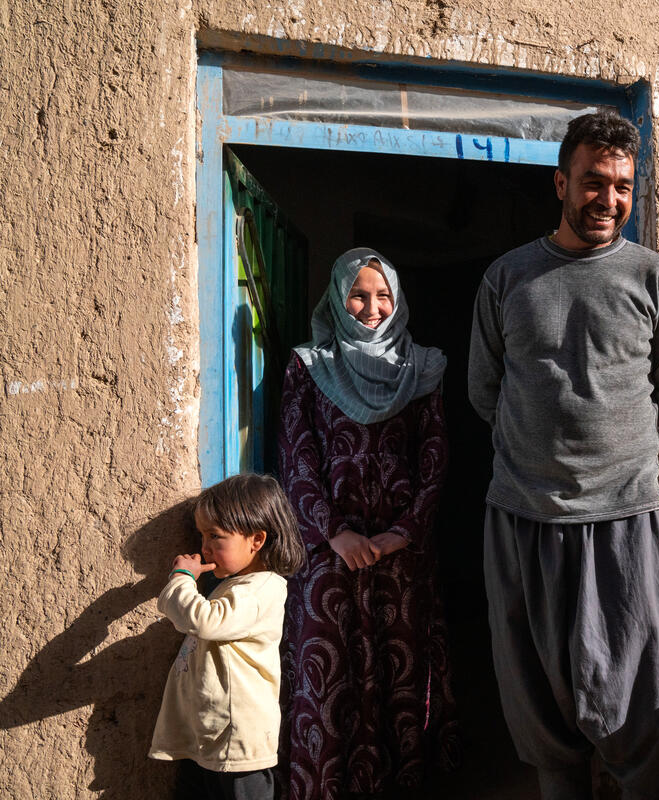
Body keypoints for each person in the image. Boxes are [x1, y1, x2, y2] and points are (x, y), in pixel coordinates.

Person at [467, 111, 659, 800]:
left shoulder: (654, 281)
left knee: (638, 704)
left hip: (621, 520)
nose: (609, 199)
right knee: (538, 707)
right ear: (561, 182)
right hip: (521, 517)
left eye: (623, 186)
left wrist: (611, 447)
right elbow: (484, 390)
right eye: (594, 182)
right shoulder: (507, 280)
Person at [278, 247, 457, 798]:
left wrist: (401, 532)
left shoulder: (423, 367)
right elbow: (297, 455)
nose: (372, 307)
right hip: (330, 558)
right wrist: (334, 532)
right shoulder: (308, 364)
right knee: (333, 681)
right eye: (359, 294)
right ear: (337, 297)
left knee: (401, 683)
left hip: (398, 560)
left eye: (383, 295)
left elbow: (435, 459)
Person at [149, 473, 306, 800]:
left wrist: (181, 579)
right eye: (202, 536)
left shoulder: (262, 587)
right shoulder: (232, 586)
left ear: (257, 540)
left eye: (215, 537)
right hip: (214, 737)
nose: (203, 549)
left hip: (238, 743)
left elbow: (205, 621)